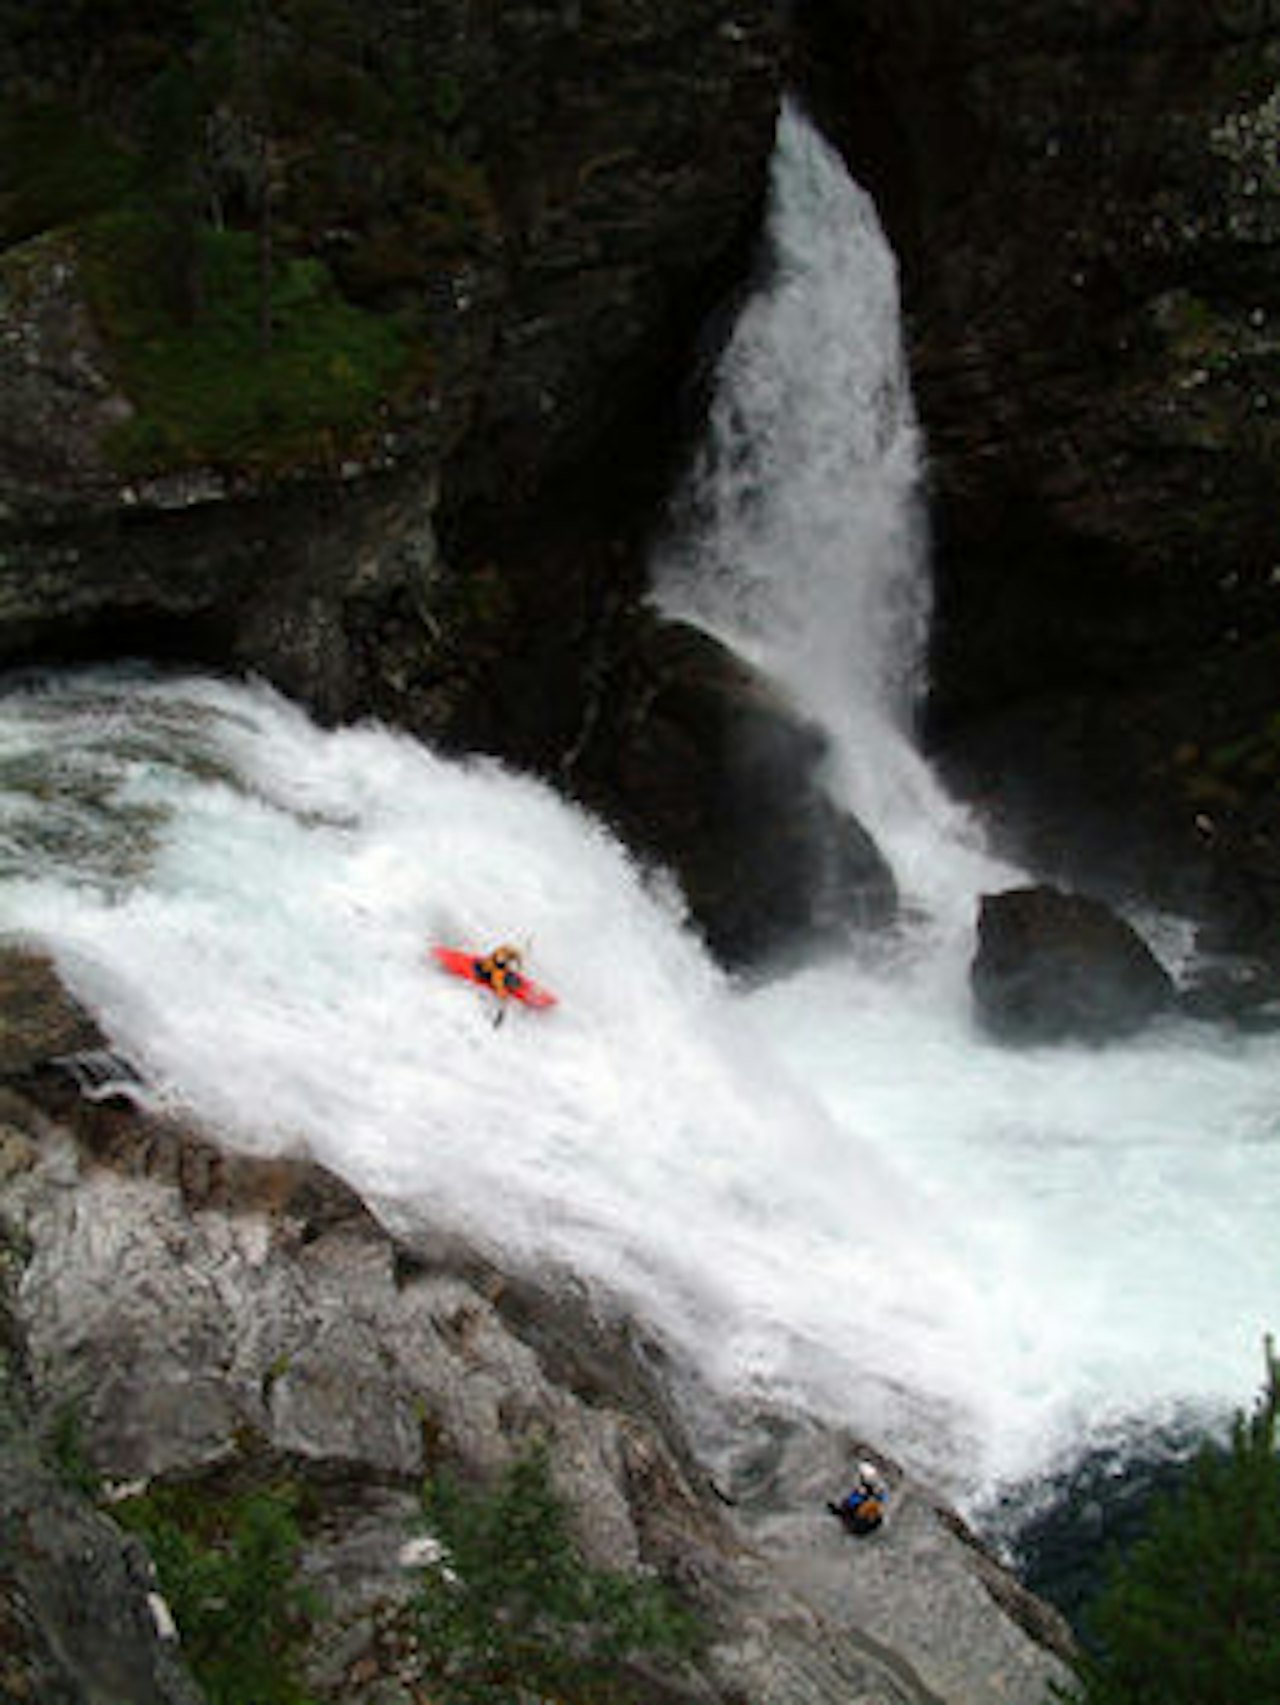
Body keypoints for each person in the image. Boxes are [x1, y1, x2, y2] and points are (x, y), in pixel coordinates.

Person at [827, 1460, 888, 1537]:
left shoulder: (853, 1511)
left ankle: (867, 1482)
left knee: (861, 1498)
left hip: (855, 1518)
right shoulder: (869, 1512)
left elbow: (843, 1511)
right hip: (859, 1519)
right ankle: (868, 1482)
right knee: (869, 1498)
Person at [472, 944, 525, 1023]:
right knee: (487, 971)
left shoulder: (502, 953)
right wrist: (503, 996)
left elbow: (508, 951)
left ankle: (513, 981)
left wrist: (517, 956)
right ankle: (479, 971)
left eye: (503, 959)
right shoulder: (498, 974)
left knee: (503, 972)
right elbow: (499, 986)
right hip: (486, 971)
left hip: (489, 968)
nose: (502, 960)